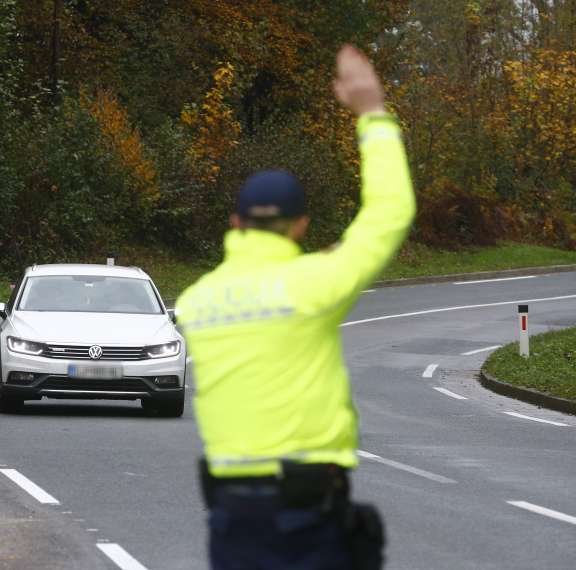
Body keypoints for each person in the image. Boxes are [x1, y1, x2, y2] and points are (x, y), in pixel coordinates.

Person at [175, 45, 416, 570]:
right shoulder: (314, 286)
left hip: (232, 514)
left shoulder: (196, 303)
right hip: (307, 508)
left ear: (235, 223)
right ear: (302, 224)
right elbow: (389, 213)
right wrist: (372, 113)